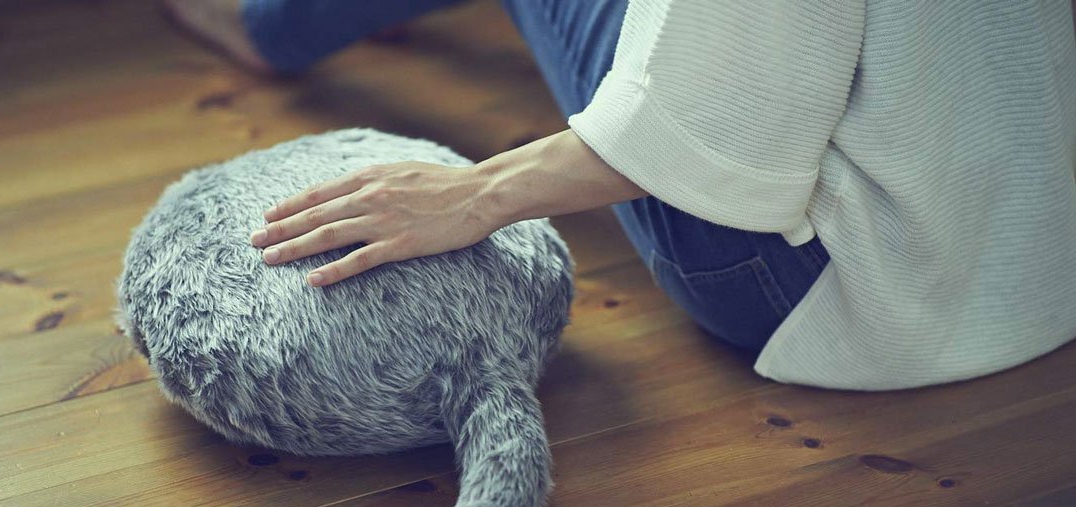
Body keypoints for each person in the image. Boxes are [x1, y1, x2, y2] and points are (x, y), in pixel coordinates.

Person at [163, 0, 1076, 391]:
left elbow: (695, 125)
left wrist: (476, 193)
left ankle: (266, 24)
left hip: (823, 279)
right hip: (1031, 239)